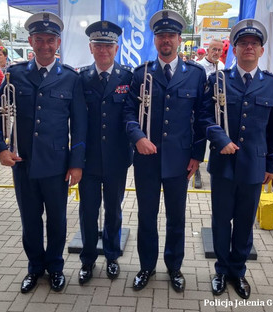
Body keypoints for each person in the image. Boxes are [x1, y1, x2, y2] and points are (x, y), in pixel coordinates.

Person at [0, 12, 87, 293]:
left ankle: (55, 268)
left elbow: (79, 126)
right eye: (40, 40)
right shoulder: (14, 75)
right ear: (31, 41)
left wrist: (76, 164)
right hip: (24, 163)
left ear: (58, 43)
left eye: (51, 40)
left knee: (57, 221)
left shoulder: (70, 78)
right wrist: (0, 149)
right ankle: (35, 268)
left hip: (57, 165)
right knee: (30, 221)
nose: (45, 45)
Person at [123, 9, 206, 292]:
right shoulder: (141, 73)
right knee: (146, 215)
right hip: (146, 159)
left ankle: (174, 267)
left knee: (176, 217)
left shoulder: (195, 75)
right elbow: (128, 113)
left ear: (180, 39)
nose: (166, 40)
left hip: (179, 160)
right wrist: (137, 137)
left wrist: (197, 155)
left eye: (171, 35)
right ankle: (146, 267)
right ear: (155, 39)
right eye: (161, 35)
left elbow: (202, 117)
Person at [200, 19, 273, 299]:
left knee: (245, 222)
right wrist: (220, 139)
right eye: (243, 43)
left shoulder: (272, 84)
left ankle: (238, 272)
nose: (249, 47)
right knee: (221, 220)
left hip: (254, 166)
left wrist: (271, 165)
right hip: (223, 165)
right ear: (233, 50)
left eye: (254, 44)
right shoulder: (218, 80)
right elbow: (204, 118)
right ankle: (221, 271)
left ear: (260, 50)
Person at [77, 21, 133, 285]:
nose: (103, 50)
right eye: (98, 45)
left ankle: (111, 256)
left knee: (113, 210)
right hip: (88, 161)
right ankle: (88, 260)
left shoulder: (128, 77)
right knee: (88, 211)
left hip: (116, 160)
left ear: (116, 48)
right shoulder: (80, 78)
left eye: (108, 45)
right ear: (90, 47)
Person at [195, 39, 225, 189]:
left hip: (217, 111)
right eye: (214, 49)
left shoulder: (223, 67)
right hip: (201, 110)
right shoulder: (199, 67)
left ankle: (214, 168)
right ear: (207, 50)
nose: (216, 53)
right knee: (198, 142)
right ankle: (196, 172)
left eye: (219, 50)